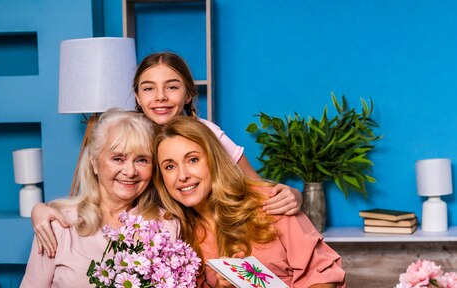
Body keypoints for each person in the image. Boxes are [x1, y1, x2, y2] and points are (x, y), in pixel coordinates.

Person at [32, 51, 302, 257]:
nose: (160, 97)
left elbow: (257, 187)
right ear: (137, 96)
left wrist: (294, 195)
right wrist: (41, 209)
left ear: (188, 95)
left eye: (172, 87)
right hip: (155, 240)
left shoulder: (206, 133)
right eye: (148, 88)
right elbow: (95, 192)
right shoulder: (131, 134)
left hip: (206, 238)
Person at [152, 116, 346, 288]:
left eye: (193, 160)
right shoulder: (177, 234)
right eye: (170, 166)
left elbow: (326, 276)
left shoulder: (270, 202)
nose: (182, 175)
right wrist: (223, 287)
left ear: (213, 160)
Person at [11, 109, 178, 288]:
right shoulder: (58, 225)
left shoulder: (166, 225)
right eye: (118, 158)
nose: (130, 171)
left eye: (142, 160)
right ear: (94, 162)